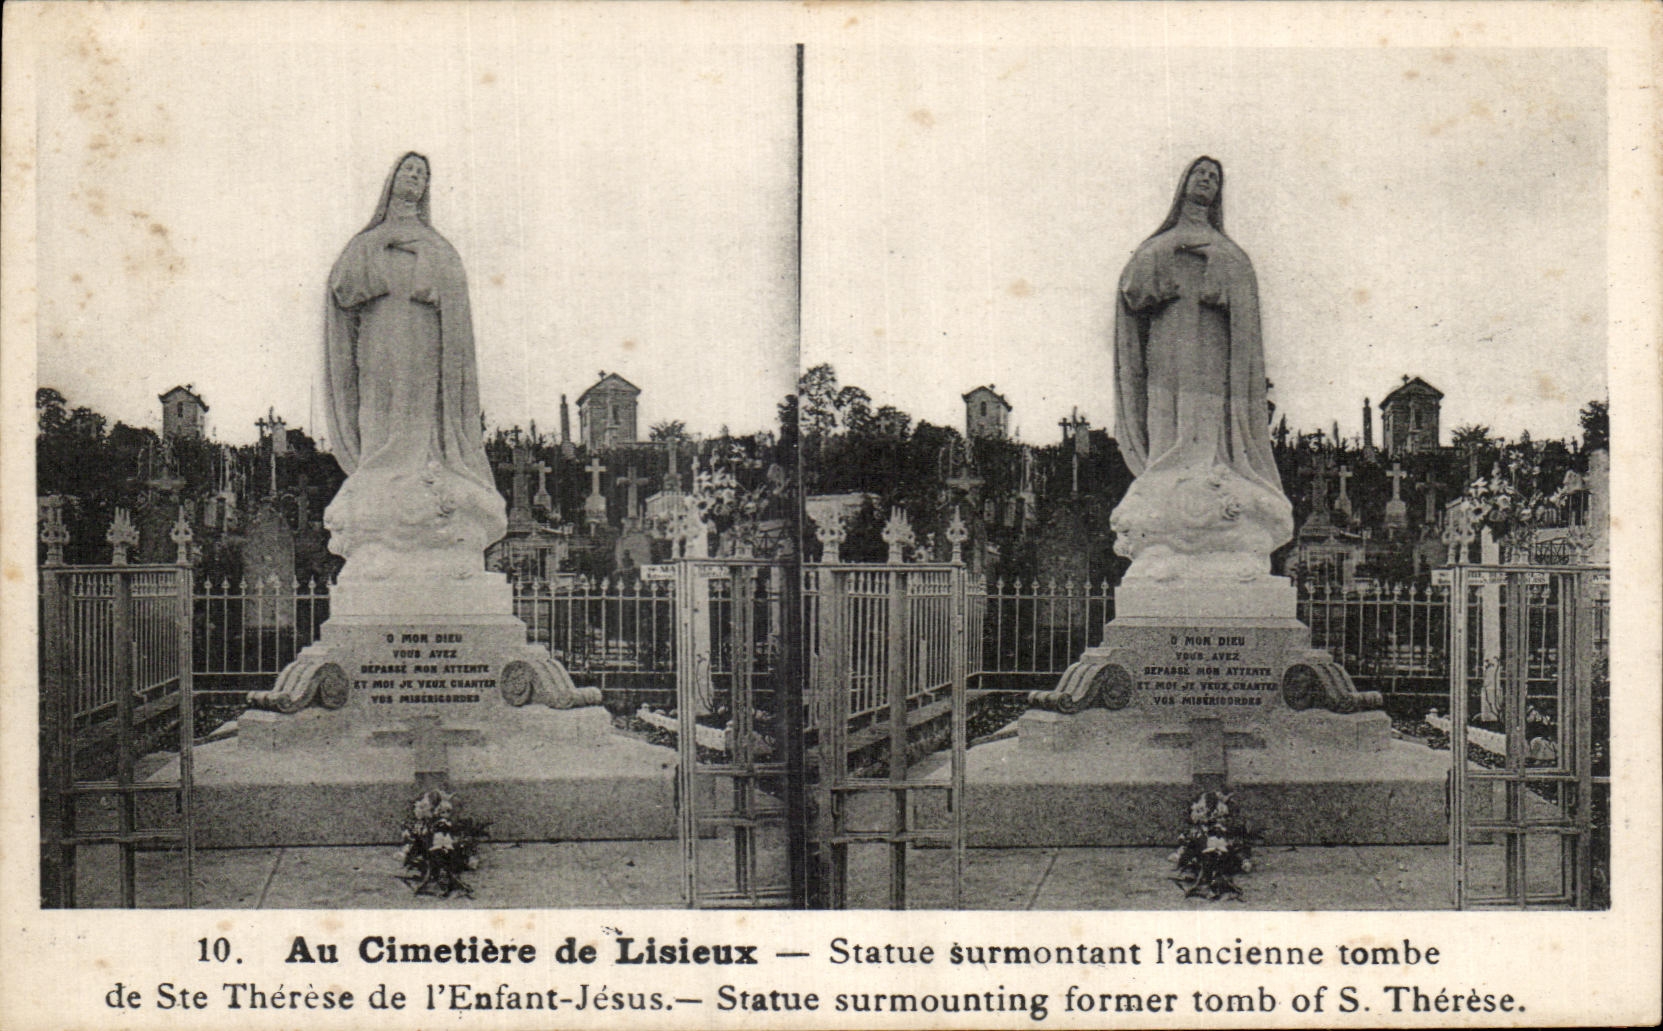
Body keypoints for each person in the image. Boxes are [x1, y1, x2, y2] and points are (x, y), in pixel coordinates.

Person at [322, 153, 506, 580]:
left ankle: (427, 462)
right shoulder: (366, 241)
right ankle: (382, 468)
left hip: (425, 341)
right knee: (380, 405)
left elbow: (454, 295)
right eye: (409, 171)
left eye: (422, 174)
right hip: (380, 339)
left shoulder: (438, 245)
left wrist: (432, 273)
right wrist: (377, 249)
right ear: (393, 180)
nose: (416, 178)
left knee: (422, 404)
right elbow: (343, 290)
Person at [1110, 157, 1293, 580]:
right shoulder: (1158, 244)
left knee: (1211, 417)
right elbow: (1132, 290)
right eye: (1200, 174)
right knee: (1165, 413)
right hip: (1169, 348)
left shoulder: (1228, 251)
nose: (1207, 181)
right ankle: (1168, 470)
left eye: (1214, 177)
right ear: (1184, 182)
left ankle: (1215, 466)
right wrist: (1165, 261)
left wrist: (1218, 271)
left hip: (1213, 352)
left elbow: (1244, 293)